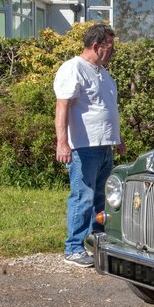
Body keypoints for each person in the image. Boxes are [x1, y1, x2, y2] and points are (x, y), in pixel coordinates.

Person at [54, 24, 126, 267]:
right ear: (96, 46)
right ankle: (74, 248)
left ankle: (96, 241)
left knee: (102, 197)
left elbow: (107, 108)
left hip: (104, 146)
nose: (113, 52)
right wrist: (62, 144)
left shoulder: (103, 72)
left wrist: (117, 138)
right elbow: (62, 106)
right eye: (110, 48)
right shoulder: (73, 68)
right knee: (82, 196)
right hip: (84, 148)